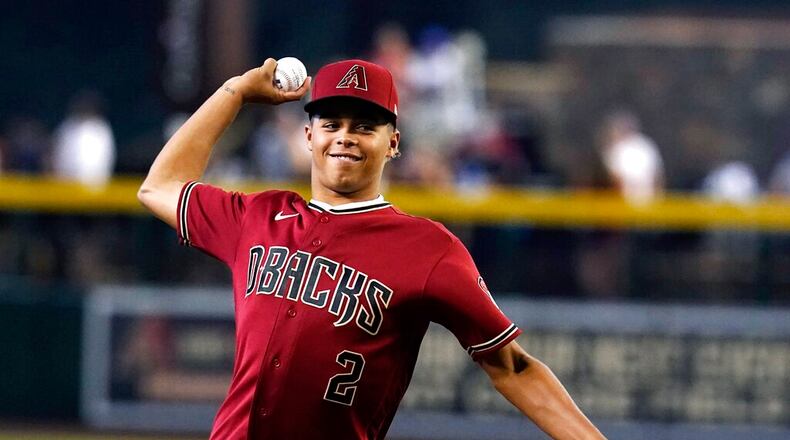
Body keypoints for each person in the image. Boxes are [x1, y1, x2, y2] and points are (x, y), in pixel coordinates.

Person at [138, 58, 605, 440]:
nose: (345, 136)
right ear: (309, 136)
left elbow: (512, 367)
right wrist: (235, 92)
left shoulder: (428, 249)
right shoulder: (259, 217)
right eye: (331, 123)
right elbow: (158, 187)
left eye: (364, 126)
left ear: (392, 143)